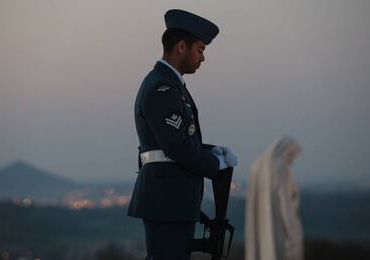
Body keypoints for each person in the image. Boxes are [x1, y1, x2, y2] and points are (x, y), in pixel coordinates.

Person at [127, 9, 238, 260]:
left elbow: (178, 140)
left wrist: (212, 151)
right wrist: (214, 163)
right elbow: (175, 146)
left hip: (173, 201)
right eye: (200, 50)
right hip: (166, 201)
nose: (202, 58)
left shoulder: (171, 86)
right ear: (181, 47)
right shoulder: (162, 87)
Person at [245, 137, 304, 260]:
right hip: (277, 225)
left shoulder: (256, 165)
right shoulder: (280, 167)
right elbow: (284, 202)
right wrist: (291, 231)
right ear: (286, 150)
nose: (291, 161)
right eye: (292, 156)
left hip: (259, 224)